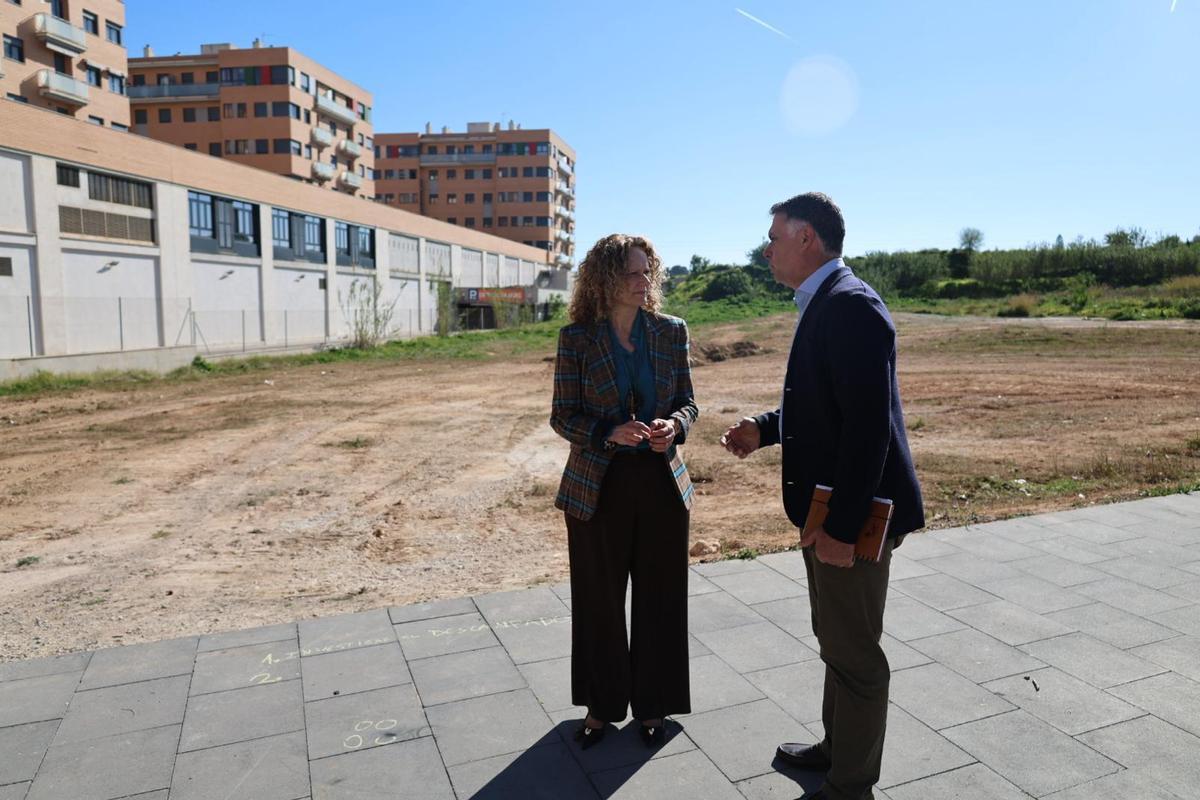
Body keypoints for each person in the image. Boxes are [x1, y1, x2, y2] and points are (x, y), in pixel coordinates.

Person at [720, 193, 924, 800]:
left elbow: (868, 431)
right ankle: (839, 751)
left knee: (855, 652)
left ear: (808, 238)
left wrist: (841, 527)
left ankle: (852, 784)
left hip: (851, 518)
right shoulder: (825, 301)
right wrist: (766, 428)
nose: (767, 247)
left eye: (775, 236)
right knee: (835, 636)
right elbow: (825, 405)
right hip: (830, 508)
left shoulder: (852, 307)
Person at [550, 233, 698, 749]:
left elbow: (688, 403)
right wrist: (606, 432)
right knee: (599, 602)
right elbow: (562, 416)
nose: (643, 282)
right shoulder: (577, 338)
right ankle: (601, 706)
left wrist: (672, 428)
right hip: (598, 485)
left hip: (660, 480)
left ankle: (653, 704)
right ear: (605, 280)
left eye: (647, 272)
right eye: (632, 273)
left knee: (661, 598)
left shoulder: (671, 332)